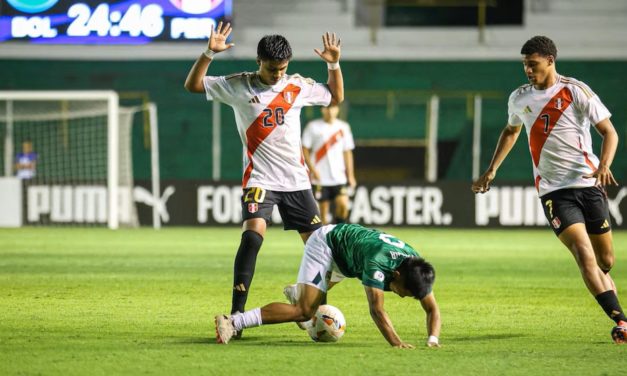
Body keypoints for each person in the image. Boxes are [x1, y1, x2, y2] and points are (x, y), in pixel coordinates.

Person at [184, 22, 344, 337]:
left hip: (297, 183)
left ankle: (304, 300)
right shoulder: (238, 85)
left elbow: (335, 97)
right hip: (259, 179)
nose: (277, 74)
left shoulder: (297, 86)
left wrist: (333, 63)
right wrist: (208, 54)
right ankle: (236, 316)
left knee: (325, 253)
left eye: (282, 68)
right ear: (259, 62)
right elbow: (193, 85)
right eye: (272, 69)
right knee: (252, 237)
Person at [471, 35, 626, 344]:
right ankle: (621, 320)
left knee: (605, 261)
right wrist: (491, 169)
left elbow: (609, 132)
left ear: (550, 61)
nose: (528, 70)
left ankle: (617, 311)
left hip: (589, 183)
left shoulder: (575, 91)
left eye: (533, 64)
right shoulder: (520, 98)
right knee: (584, 255)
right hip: (553, 191)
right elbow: (511, 131)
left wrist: (604, 164)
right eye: (525, 65)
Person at [215, 223, 442, 348]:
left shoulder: (416, 268)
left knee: (306, 302)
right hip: (328, 245)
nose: (403, 297)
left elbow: (432, 308)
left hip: (350, 259)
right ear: (396, 274)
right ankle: (233, 321)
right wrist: (397, 343)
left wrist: (433, 339)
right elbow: (377, 310)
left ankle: (298, 291)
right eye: (405, 292)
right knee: (304, 312)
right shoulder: (377, 262)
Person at [302, 104, 356, 224]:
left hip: (339, 177)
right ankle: (325, 240)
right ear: (322, 109)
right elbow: (304, 150)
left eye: (333, 108)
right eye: (327, 108)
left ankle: (338, 232)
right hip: (320, 178)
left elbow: (347, 152)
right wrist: (312, 170)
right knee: (323, 214)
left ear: (337, 109)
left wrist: (350, 175)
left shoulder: (343, 127)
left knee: (343, 206)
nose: (330, 111)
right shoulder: (313, 127)